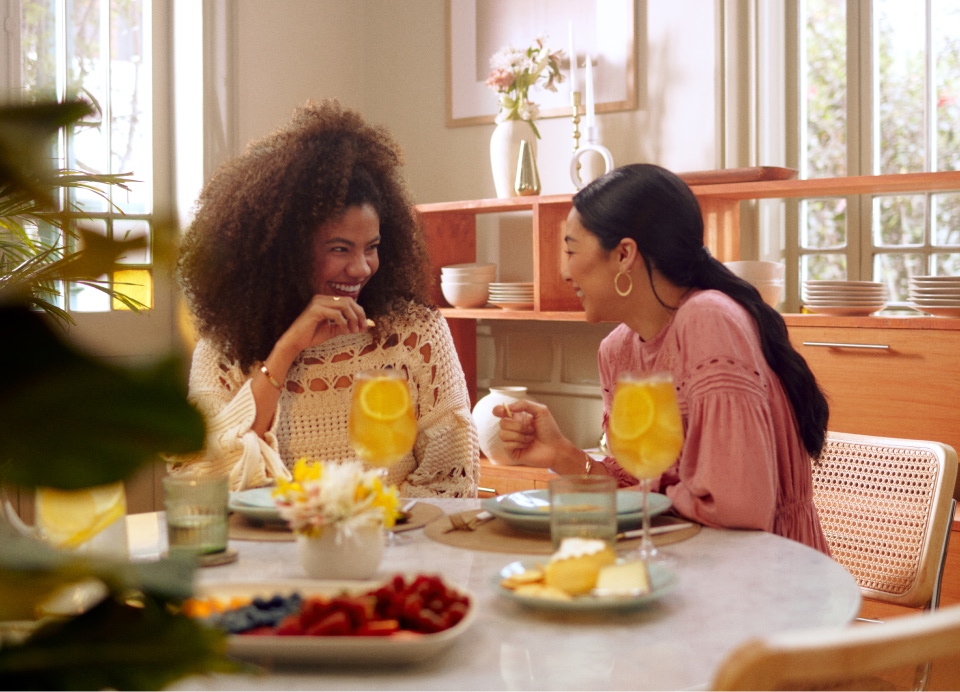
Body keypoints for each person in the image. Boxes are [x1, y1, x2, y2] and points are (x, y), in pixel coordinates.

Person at [495, 163, 830, 553]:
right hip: (689, 559)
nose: (565, 272)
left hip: (770, 575)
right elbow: (638, 498)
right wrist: (562, 454)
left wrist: (653, 492)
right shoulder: (617, 351)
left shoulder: (708, 319)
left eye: (571, 250)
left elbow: (737, 507)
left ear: (624, 254)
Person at [170, 99, 479, 497]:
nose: (362, 268)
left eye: (372, 246)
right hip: (270, 554)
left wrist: (358, 524)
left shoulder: (414, 333)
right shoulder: (224, 348)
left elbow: (453, 481)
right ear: (285, 252)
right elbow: (204, 479)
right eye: (339, 249)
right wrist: (287, 349)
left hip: (393, 549)